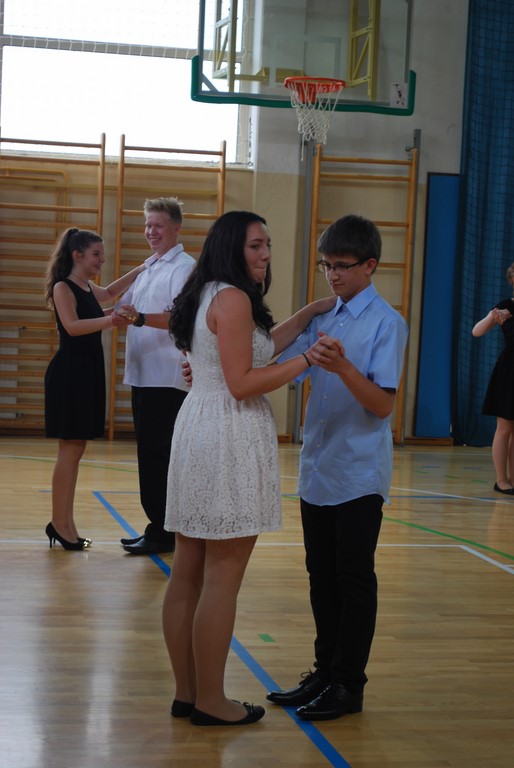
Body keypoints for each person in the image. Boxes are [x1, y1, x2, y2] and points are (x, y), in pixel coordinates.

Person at [161, 210, 335, 726]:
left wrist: (305, 316)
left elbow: (253, 348)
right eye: (256, 245)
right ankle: (212, 702)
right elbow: (242, 383)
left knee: (188, 570)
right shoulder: (234, 299)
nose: (266, 254)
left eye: (268, 245)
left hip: (198, 426)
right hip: (228, 434)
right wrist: (307, 360)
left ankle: (188, 693)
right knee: (222, 576)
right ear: (232, 247)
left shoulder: (207, 292)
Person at [266, 214, 408, 721]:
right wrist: (308, 315)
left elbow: (383, 406)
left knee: (353, 578)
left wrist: (343, 366)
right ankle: (325, 671)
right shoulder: (325, 315)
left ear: (370, 265)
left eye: (342, 266)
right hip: (318, 467)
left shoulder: (387, 323)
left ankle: (349, 682)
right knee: (320, 576)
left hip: (358, 473)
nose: (333, 275)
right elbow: (275, 359)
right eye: (326, 265)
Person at [44, 227, 146, 550]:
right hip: (69, 374)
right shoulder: (63, 286)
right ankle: (60, 524)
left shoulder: (86, 286)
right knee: (69, 450)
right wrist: (110, 321)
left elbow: (109, 295)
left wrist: (142, 269)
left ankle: (65, 523)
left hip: (86, 373)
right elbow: (73, 327)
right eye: (96, 255)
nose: (102, 260)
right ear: (77, 256)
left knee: (75, 450)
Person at [111, 196, 196, 556]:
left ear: (176, 228)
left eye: (158, 225)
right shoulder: (149, 268)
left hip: (166, 376)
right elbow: (122, 307)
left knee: (160, 456)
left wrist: (141, 318)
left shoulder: (184, 268)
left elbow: (180, 317)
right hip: (144, 374)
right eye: (147, 225)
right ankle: (158, 527)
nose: (151, 231)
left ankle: (165, 531)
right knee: (149, 455)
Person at [472, 262, 514, 495]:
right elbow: (477, 331)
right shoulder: (506, 306)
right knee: (505, 427)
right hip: (509, 371)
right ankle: (501, 480)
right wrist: (492, 316)